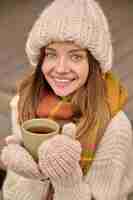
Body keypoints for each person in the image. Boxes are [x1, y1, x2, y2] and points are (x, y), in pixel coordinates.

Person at [1, 0, 133, 199]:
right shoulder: (22, 104)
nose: (61, 68)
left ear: (94, 64)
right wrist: (30, 176)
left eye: (76, 57)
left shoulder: (116, 127)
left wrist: (67, 182)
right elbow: (11, 194)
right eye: (51, 55)